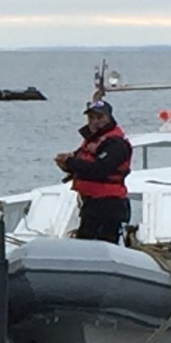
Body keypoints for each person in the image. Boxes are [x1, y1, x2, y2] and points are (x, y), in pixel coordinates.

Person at [54, 98, 132, 243]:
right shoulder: (92, 142)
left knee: (101, 242)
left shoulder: (116, 144)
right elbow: (81, 163)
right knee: (85, 239)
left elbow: (100, 169)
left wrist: (71, 162)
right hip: (91, 202)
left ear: (109, 118)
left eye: (99, 117)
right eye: (91, 118)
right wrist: (66, 164)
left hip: (109, 204)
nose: (95, 122)